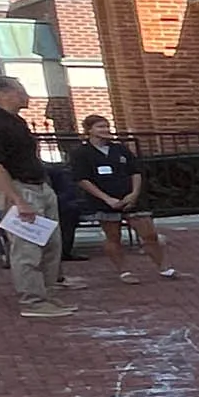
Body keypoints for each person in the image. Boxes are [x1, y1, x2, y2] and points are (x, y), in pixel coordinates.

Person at [0, 73, 69, 318]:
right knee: (27, 248)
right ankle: (32, 300)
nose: (26, 96)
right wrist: (17, 200)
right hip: (19, 189)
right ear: (5, 93)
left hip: (39, 186)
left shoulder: (17, 122)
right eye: (21, 91)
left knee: (51, 244)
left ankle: (48, 294)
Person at [67, 117, 180, 283]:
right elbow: (82, 179)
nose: (105, 130)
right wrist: (107, 199)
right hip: (105, 200)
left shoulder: (120, 149)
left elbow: (135, 171)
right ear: (89, 130)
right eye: (100, 127)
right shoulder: (81, 153)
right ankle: (124, 271)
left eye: (107, 126)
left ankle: (164, 268)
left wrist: (134, 194)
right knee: (113, 236)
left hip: (130, 198)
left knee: (149, 234)